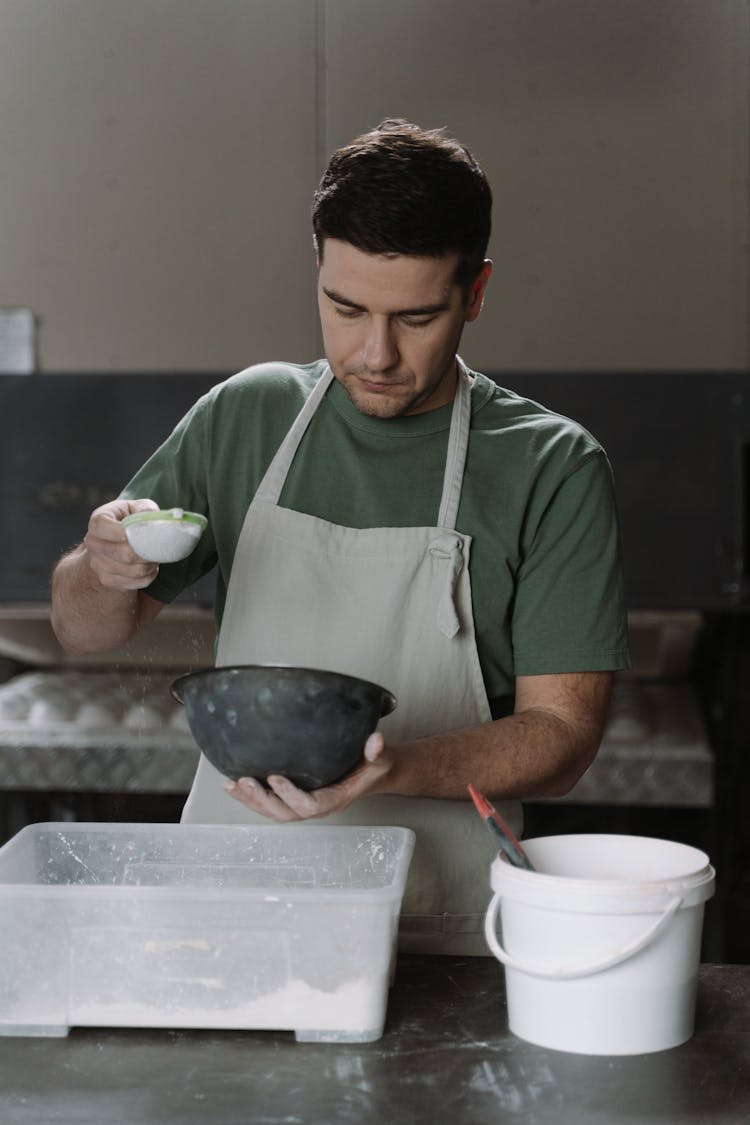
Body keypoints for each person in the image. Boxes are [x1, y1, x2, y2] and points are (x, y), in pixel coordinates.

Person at [50, 119, 630, 955]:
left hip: (438, 933)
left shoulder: (552, 466)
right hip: (229, 907)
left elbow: (563, 740)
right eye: (344, 307)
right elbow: (83, 629)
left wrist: (387, 769)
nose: (375, 352)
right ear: (317, 267)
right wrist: (103, 567)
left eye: (417, 316)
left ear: (475, 292)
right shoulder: (246, 416)